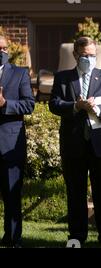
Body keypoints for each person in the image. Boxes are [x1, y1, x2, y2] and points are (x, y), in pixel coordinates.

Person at [49, 36, 101, 248]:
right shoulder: (63, 78)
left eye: (92, 55)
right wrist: (75, 106)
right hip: (74, 145)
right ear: (75, 55)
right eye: (84, 56)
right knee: (75, 193)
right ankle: (76, 237)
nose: (89, 59)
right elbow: (54, 104)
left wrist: (97, 109)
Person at [0, 35, 35, 248]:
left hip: (10, 144)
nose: (1, 52)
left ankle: (13, 239)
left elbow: (29, 105)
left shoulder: (20, 74)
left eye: (4, 48)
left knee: (12, 196)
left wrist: (6, 104)